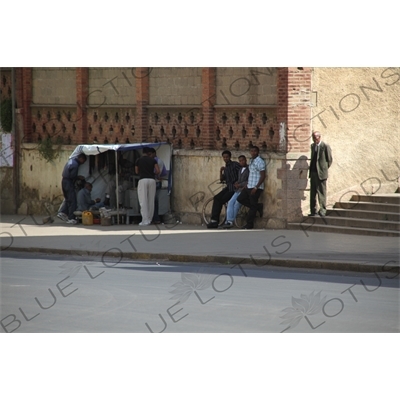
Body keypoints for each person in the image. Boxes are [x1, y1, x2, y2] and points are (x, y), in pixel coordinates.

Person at [207, 150, 240, 229]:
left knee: (221, 200)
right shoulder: (226, 168)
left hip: (234, 188)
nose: (225, 158)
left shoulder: (235, 165)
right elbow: (222, 179)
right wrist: (221, 171)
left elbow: (242, 172)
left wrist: (239, 182)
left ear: (230, 157)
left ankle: (220, 220)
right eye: (224, 157)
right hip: (228, 187)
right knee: (216, 198)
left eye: (227, 157)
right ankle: (214, 220)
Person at [237, 146, 265, 229]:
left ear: (258, 152)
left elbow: (263, 176)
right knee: (240, 199)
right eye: (251, 151)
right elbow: (251, 174)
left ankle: (249, 224)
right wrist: (247, 184)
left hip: (256, 187)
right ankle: (258, 206)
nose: (253, 153)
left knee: (252, 206)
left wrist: (256, 187)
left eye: (255, 151)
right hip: (249, 186)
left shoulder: (260, 161)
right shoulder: (251, 160)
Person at [58, 153, 87, 224]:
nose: (83, 163)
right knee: (72, 200)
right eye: (83, 161)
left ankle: (63, 212)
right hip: (68, 182)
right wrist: (79, 178)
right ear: (81, 159)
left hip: (64, 181)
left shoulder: (71, 161)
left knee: (68, 199)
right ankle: (71, 218)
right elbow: (72, 176)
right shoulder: (75, 165)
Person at [308, 131, 333, 217]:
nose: (315, 139)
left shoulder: (325, 146)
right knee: (313, 193)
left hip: (321, 173)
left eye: (316, 137)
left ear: (319, 137)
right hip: (313, 172)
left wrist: (323, 169)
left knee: (321, 193)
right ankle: (313, 210)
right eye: (313, 137)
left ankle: (322, 210)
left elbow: (329, 160)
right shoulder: (312, 146)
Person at [221, 155, 249, 229]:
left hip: (244, 189)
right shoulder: (240, 170)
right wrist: (236, 183)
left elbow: (248, 181)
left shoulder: (249, 169)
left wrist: (240, 185)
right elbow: (239, 179)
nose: (241, 162)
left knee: (236, 204)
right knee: (230, 202)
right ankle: (229, 221)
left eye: (243, 160)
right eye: (240, 161)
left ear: (246, 160)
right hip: (238, 189)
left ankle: (231, 221)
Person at [135, 147, 160, 226]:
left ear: (142, 152)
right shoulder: (153, 160)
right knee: (151, 200)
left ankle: (144, 220)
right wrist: (152, 173)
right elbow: (158, 170)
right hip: (152, 180)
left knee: (143, 200)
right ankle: (149, 219)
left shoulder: (138, 160)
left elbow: (136, 171)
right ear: (149, 153)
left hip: (143, 180)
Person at [148, 148, 168, 224]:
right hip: (154, 182)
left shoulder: (158, 161)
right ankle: (154, 217)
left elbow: (157, 173)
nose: (149, 156)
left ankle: (156, 218)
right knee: (152, 200)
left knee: (154, 200)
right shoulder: (153, 161)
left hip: (156, 182)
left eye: (150, 154)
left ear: (154, 153)